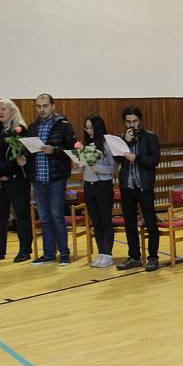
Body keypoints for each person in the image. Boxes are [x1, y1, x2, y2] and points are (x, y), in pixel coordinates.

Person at [23, 94, 76, 266]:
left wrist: (54, 150)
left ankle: (65, 253)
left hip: (56, 178)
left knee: (57, 216)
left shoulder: (64, 126)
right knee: (44, 218)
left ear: (53, 106)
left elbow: (71, 150)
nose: (42, 110)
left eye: (45, 106)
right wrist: (23, 159)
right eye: (38, 106)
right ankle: (48, 253)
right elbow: (28, 151)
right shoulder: (32, 127)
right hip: (38, 178)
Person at [0, 98, 32, 262]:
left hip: (16, 178)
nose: (0, 112)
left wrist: (4, 172)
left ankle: (25, 250)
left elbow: (19, 156)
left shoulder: (20, 130)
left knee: (21, 215)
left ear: (12, 111)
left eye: (4, 109)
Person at [115, 106, 162, 272]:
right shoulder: (121, 138)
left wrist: (137, 158)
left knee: (150, 222)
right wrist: (125, 142)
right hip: (127, 185)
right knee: (129, 223)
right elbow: (116, 158)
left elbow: (154, 160)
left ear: (139, 121)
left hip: (144, 185)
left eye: (134, 121)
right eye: (128, 122)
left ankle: (153, 258)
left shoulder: (150, 137)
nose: (132, 124)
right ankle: (134, 257)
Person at [79, 115, 117, 268]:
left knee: (105, 220)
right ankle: (101, 253)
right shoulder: (87, 144)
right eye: (86, 128)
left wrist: (99, 168)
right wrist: (79, 163)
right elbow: (85, 165)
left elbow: (114, 168)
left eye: (91, 128)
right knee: (95, 222)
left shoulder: (107, 144)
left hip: (103, 186)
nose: (88, 131)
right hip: (89, 185)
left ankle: (108, 254)